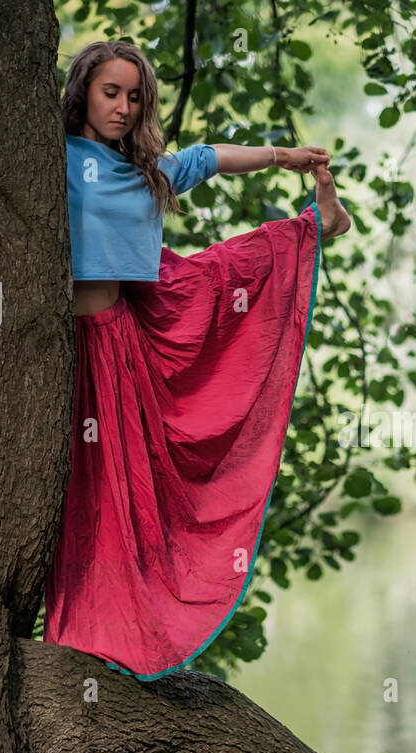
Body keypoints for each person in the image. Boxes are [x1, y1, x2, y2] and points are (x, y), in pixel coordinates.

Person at [43, 40, 351, 680]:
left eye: (135, 97)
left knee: (115, 491)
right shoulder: (50, 155)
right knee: (74, 491)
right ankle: (76, 627)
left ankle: (315, 223)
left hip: (114, 341)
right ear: (82, 92)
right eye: (111, 93)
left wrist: (282, 157)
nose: (124, 107)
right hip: (57, 345)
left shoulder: (146, 170)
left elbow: (208, 159)